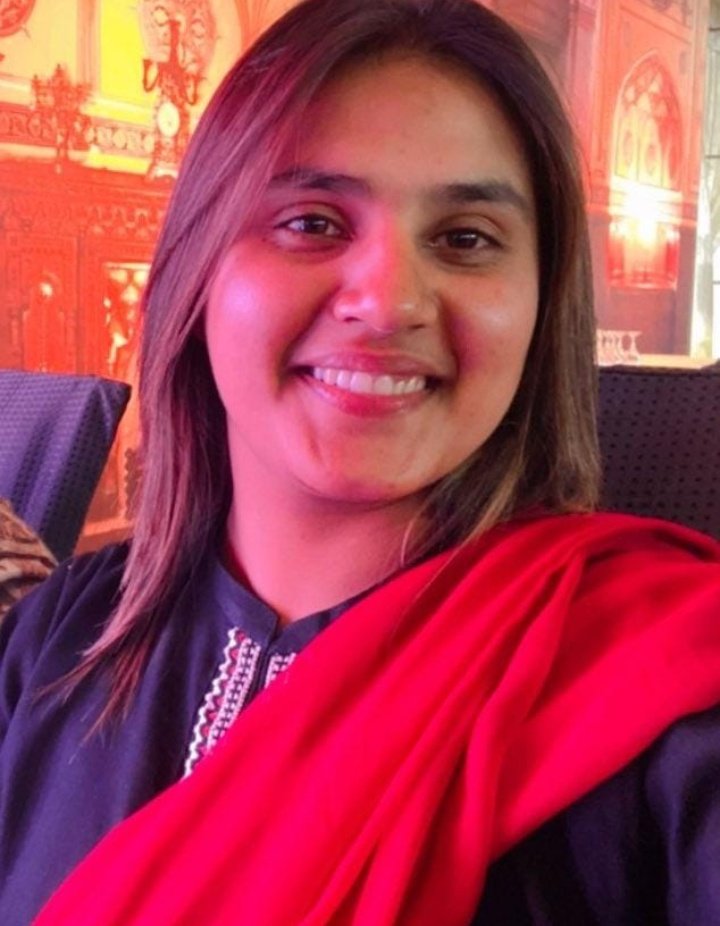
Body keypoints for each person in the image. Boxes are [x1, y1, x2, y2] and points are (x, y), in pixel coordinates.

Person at [1, 1, 719, 923]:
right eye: (311, 222)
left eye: (465, 238)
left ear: (543, 308)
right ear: (197, 271)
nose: (387, 303)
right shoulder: (57, 638)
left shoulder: (658, 689)